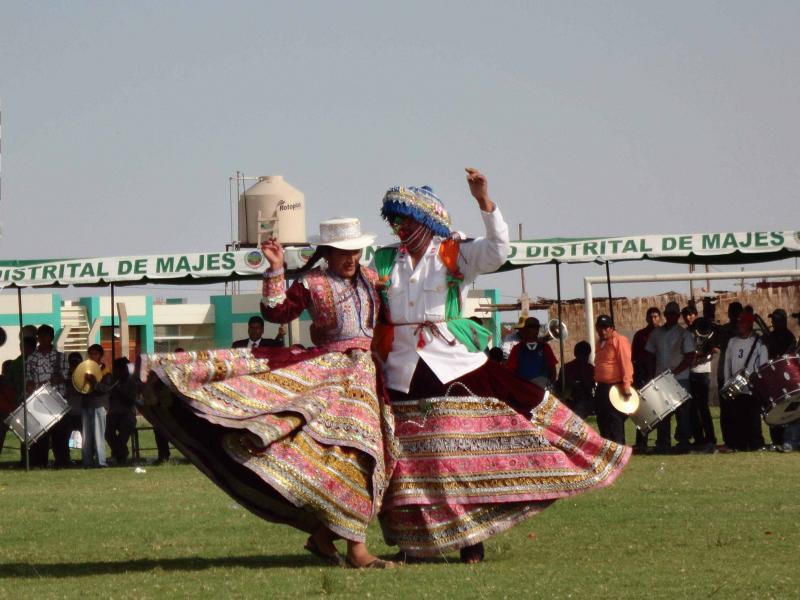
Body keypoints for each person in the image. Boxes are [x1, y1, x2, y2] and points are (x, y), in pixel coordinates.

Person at [374, 169, 629, 564]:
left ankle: (471, 541)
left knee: (463, 453)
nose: (398, 227)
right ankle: (414, 543)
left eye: (405, 220)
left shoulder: (453, 251)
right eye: (394, 220)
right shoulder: (386, 258)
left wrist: (484, 203)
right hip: (401, 369)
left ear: (425, 221)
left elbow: (498, 251)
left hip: (452, 363)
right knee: (407, 460)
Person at [141, 217, 395, 569]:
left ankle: (325, 538)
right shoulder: (313, 282)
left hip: (367, 377)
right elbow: (276, 311)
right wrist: (275, 268)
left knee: (362, 458)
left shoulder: (370, 279)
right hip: (330, 374)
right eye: (341, 253)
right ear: (327, 253)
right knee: (345, 455)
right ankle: (354, 548)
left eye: (353, 251)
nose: (350, 258)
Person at [644, 301, 695, 454]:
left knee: (683, 412)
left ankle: (683, 442)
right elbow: (649, 354)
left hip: (680, 378)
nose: (671, 316)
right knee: (662, 412)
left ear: (678, 316)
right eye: (669, 314)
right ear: (665, 315)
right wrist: (651, 375)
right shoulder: (656, 333)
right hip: (660, 378)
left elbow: (690, 356)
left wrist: (676, 371)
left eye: (674, 314)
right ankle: (663, 442)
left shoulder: (684, 333)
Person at [25, 325, 70, 467]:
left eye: (44, 336)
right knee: (40, 434)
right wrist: (30, 383)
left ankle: (62, 462)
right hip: (38, 401)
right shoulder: (32, 358)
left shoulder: (60, 357)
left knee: (59, 434)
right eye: (39, 337)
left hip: (57, 399)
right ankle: (40, 462)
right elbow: (27, 377)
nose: (41, 339)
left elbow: (64, 375)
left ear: (50, 338)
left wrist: (52, 381)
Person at [723, 312, 768, 451]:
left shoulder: (758, 342)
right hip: (736, 386)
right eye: (739, 322)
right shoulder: (732, 341)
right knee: (737, 416)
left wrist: (757, 381)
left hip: (751, 386)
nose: (739, 325)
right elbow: (727, 363)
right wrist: (727, 382)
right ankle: (739, 444)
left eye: (742, 322)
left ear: (749, 324)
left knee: (753, 417)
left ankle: (755, 444)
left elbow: (763, 364)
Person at [592, 315, 634, 444]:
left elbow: (626, 363)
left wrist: (626, 385)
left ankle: (619, 448)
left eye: (605, 328)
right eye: (600, 328)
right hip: (602, 387)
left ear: (611, 328)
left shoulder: (620, 340)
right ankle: (607, 448)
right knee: (602, 418)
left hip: (615, 386)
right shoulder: (600, 343)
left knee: (615, 419)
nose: (603, 331)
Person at [682, 305, 717, 452]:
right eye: (686, 316)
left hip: (701, 372)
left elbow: (714, 348)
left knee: (703, 407)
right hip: (689, 373)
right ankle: (698, 438)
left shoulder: (704, 327)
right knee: (692, 408)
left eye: (691, 315)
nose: (688, 318)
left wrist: (699, 356)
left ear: (696, 315)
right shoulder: (686, 332)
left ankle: (710, 438)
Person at [763, 309, 797, 449]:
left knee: (786, 409)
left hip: (785, 378)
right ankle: (776, 439)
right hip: (772, 377)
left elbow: (787, 356)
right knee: (773, 408)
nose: (773, 323)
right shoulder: (770, 336)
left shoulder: (789, 337)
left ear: (783, 321)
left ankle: (786, 439)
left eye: (776, 320)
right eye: (773, 320)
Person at [714, 301, 744, 451]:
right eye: (733, 312)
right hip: (724, 374)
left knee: (741, 410)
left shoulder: (745, 331)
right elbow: (715, 345)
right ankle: (729, 441)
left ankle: (741, 440)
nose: (735, 316)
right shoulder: (724, 330)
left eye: (738, 312)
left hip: (740, 375)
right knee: (726, 411)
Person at [631, 307, 661, 452]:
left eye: (656, 317)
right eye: (650, 317)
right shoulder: (640, 335)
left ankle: (662, 441)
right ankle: (641, 442)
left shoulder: (663, 334)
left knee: (661, 410)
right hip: (643, 377)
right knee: (642, 411)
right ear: (646, 318)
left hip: (659, 376)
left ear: (660, 318)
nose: (653, 320)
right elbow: (634, 358)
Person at [81, 344, 111, 467]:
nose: (93, 356)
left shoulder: (105, 371)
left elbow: (106, 388)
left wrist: (94, 382)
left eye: (95, 354)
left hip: (99, 405)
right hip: (86, 404)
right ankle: (87, 461)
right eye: (90, 354)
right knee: (86, 435)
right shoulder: (84, 370)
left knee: (99, 434)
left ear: (100, 356)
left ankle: (101, 461)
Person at [507, 317, 558, 388]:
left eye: (536, 328)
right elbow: (510, 371)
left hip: (542, 388)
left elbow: (552, 368)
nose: (533, 330)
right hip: (523, 388)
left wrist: (552, 385)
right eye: (530, 327)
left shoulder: (545, 347)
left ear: (537, 330)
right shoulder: (517, 348)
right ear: (525, 330)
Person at [105, 358, 138, 465]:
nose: (117, 373)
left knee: (125, 429)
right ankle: (122, 453)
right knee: (108, 433)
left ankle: (118, 456)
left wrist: (118, 388)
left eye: (120, 370)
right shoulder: (111, 381)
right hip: (113, 414)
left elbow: (130, 401)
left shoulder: (131, 382)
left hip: (127, 413)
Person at [556, 340, 595, 419]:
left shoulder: (590, 368)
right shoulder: (566, 368)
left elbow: (590, 386)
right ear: (576, 354)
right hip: (568, 399)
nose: (583, 357)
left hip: (585, 399)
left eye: (585, 354)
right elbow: (559, 385)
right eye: (581, 354)